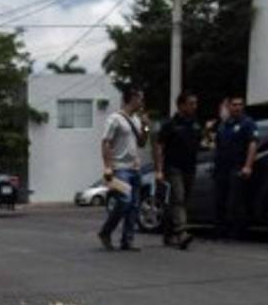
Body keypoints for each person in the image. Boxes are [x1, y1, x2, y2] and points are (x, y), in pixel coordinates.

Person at [98, 85, 150, 252]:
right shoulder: (114, 119)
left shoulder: (136, 119)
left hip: (135, 167)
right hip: (120, 168)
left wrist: (146, 127)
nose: (142, 102)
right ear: (132, 98)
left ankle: (127, 241)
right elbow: (106, 142)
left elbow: (142, 143)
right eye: (140, 98)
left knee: (134, 205)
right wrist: (107, 167)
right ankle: (106, 232)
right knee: (124, 201)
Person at [154, 90, 202, 250]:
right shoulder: (170, 124)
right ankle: (182, 234)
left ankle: (168, 234)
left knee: (179, 202)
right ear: (181, 105)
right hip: (173, 168)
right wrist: (159, 170)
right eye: (191, 103)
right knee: (179, 199)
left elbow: (200, 144)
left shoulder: (195, 123)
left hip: (190, 168)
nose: (194, 106)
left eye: (195, 103)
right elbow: (159, 147)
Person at [212, 95, 258, 240]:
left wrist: (248, 166)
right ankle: (220, 231)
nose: (237, 107)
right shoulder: (224, 125)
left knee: (235, 202)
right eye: (234, 105)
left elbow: (253, 144)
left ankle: (236, 233)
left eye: (240, 104)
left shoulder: (248, 123)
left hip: (237, 167)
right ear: (229, 107)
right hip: (222, 168)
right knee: (220, 200)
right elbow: (217, 146)